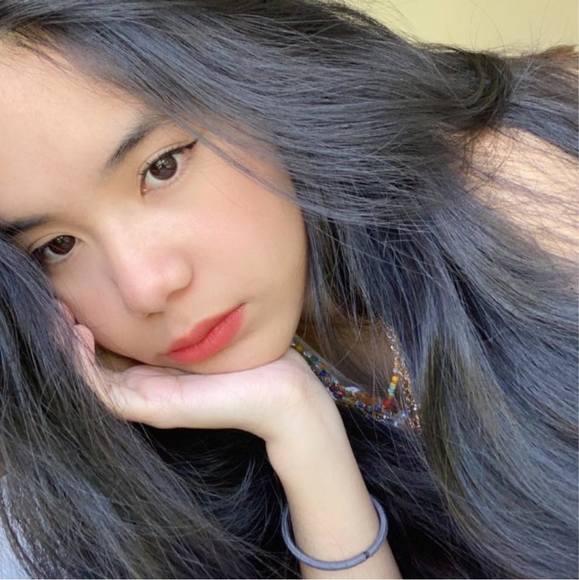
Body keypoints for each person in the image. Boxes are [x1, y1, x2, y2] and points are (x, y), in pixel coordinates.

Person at [0, 1, 576, 578]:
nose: (146, 288)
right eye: (57, 246)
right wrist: (301, 430)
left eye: (163, 167)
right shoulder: (152, 452)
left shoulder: (518, 185)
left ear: (252, 81)